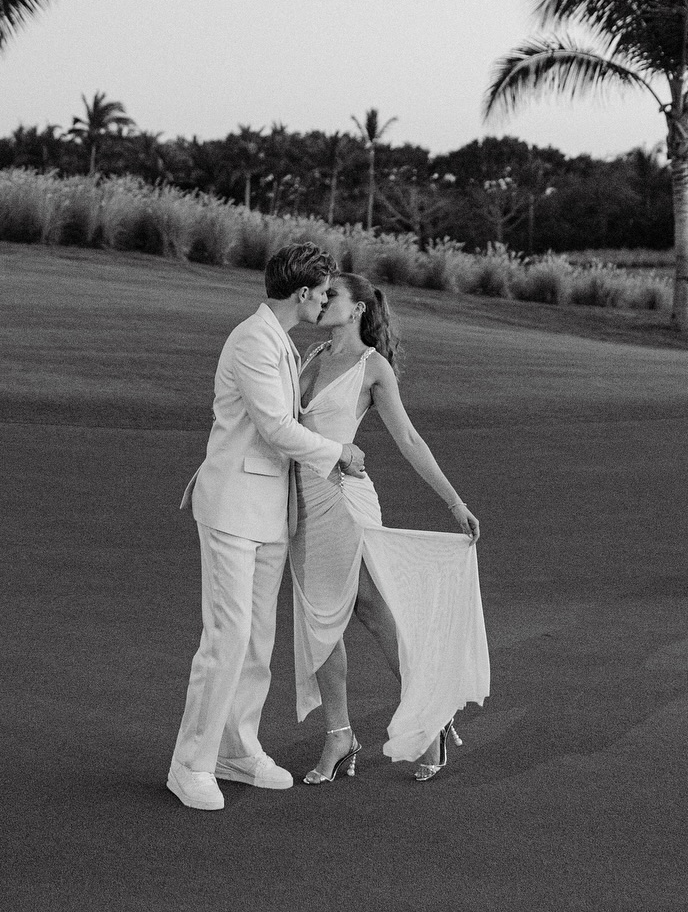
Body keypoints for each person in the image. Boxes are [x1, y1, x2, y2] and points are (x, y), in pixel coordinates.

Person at [167, 243, 369, 812]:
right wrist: (340, 453)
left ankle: (237, 749)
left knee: (258, 642)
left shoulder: (281, 342)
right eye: (324, 290)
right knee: (226, 639)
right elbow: (277, 428)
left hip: (270, 513)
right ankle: (191, 763)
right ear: (302, 294)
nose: (329, 298)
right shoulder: (253, 340)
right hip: (233, 506)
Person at [290, 271, 489, 783]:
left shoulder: (372, 366)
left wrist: (454, 502)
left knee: (371, 612)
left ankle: (430, 718)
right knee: (319, 620)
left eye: (332, 295)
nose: (321, 299)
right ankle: (340, 735)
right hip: (303, 504)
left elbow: (409, 439)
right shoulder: (308, 355)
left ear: (357, 309)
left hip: (346, 499)